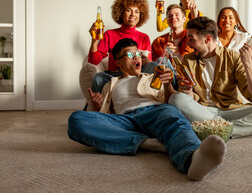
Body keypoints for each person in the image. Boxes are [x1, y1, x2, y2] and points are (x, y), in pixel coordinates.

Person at [68, 38, 226, 181]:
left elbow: (171, 100)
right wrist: (96, 106)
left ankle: (193, 159)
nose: (137, 57)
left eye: (138, 53)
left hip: (155, 111)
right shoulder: (110, 84)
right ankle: (150, 143)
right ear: (118, 62)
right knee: (76, 120)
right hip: (125, 120)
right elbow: (104, 119)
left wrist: (167, 84)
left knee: (174, 119)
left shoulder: (152, 76)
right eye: (130, 55)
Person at [159, 17, 252, 138]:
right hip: (203, 111)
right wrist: (187, 91)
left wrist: (248, 65)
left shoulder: (232, 57)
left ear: (207, 39)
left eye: (191, 39)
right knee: (177, 98)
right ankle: (227, 128)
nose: (187, 44)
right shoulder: (188, 59)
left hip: (232, 110)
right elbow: (190, 99)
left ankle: (224, 130)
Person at [88, 0, 156, 94]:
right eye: (129, 10)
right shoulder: (109, 34)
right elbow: (93, 61)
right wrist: (94, 40)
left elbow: (147, 65)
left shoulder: (144, 37)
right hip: (114, 76)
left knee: (154, 65)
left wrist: (143, 58)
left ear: (141, 15)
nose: (133, 14)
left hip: (137, 76)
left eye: (137, 12)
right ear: (120, 13)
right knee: (98, 78)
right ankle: (102, 108)